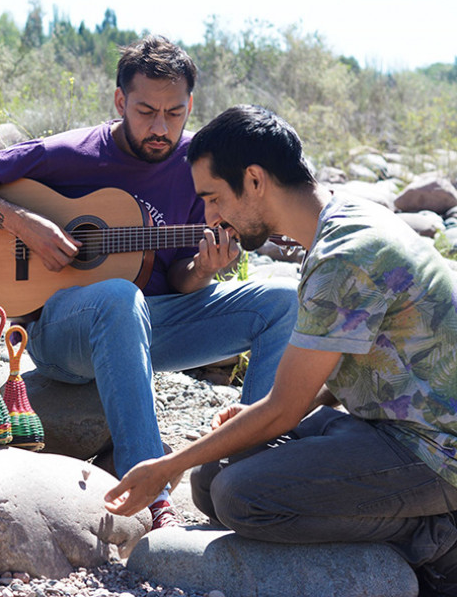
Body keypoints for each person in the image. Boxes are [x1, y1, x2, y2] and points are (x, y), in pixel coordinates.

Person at [0, 36, 298, 528]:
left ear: (191, 105)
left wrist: (206, 268)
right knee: (121, 297)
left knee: (282, 301)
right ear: (121, 101)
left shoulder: (196, 168)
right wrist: (24, 225)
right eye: (146, 111)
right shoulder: (71, 153)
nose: (160, 127)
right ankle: (151, 491)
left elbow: (181, 280)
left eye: (175, 112)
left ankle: (243, 468)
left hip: (151, 327)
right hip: (64, 330)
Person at [104, 104, 457, 595]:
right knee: (212, 479)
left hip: (437, 454)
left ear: (253, 180)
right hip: (387, 425)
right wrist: (249, 425)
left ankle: (435, 537)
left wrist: (168, 464)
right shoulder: (341, 218)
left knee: (242, 496)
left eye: (212, 198)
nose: (210, 217)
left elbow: (284, 409)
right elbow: (328, 378)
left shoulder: (345, 255)